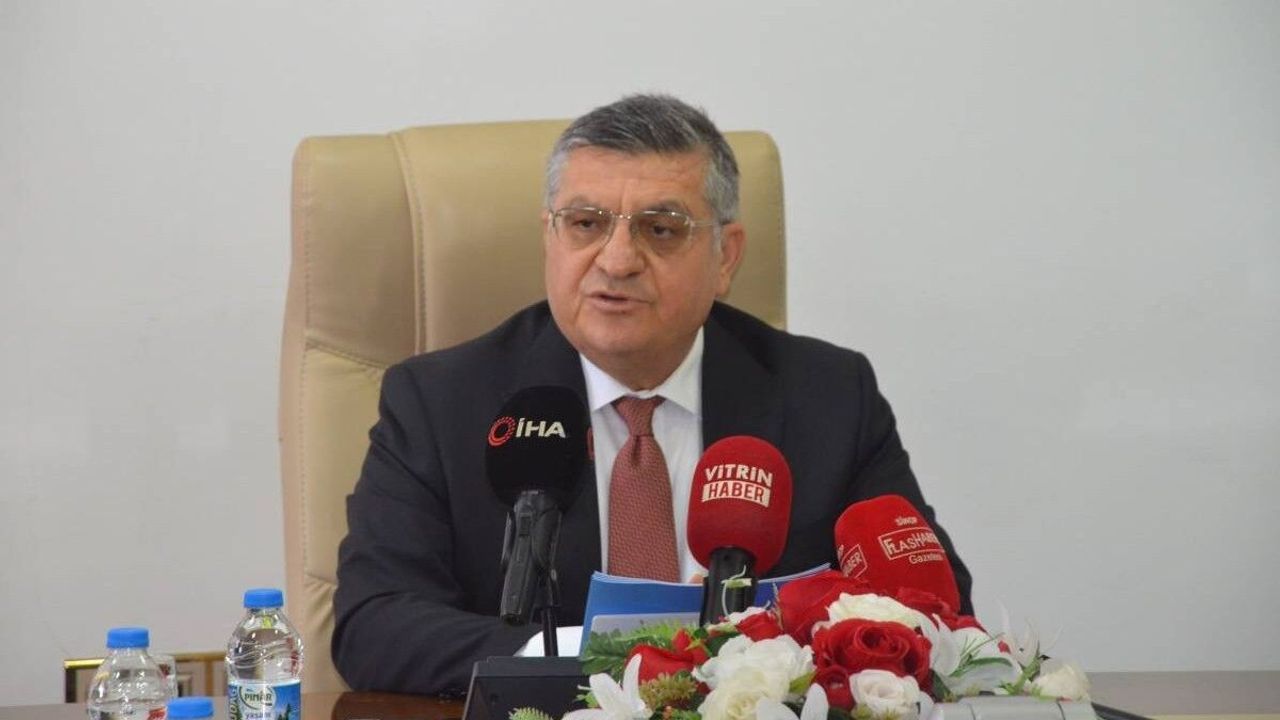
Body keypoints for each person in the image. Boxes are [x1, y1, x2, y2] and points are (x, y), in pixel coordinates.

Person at [331, 94, 972, 695]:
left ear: (726, 257)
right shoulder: (439, 402)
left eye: (660, 230)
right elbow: (374, 624)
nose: (616, 260)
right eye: (585, 224)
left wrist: (758, 662)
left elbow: (935, 611)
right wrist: (598, 661)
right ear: (549, 237)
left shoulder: (828, 396)